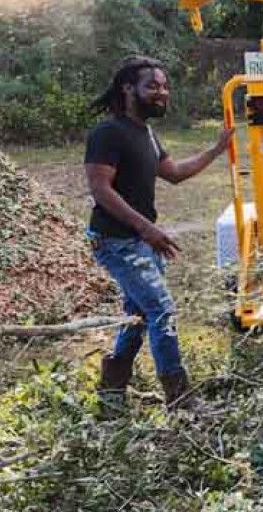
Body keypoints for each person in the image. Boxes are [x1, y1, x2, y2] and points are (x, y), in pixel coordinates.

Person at [85, 56, 230, 407]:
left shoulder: (146, 133)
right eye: (152, 86)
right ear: (128, 88)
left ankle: (111, 393)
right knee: (161, 310)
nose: (162, 93)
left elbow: (175, 173)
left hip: (139, 239)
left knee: (137, 316)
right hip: (117, 241)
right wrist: (147, 229)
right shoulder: (108, 133)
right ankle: (180, 401)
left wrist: (216, 149)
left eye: (164, 86)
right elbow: (101, 190)